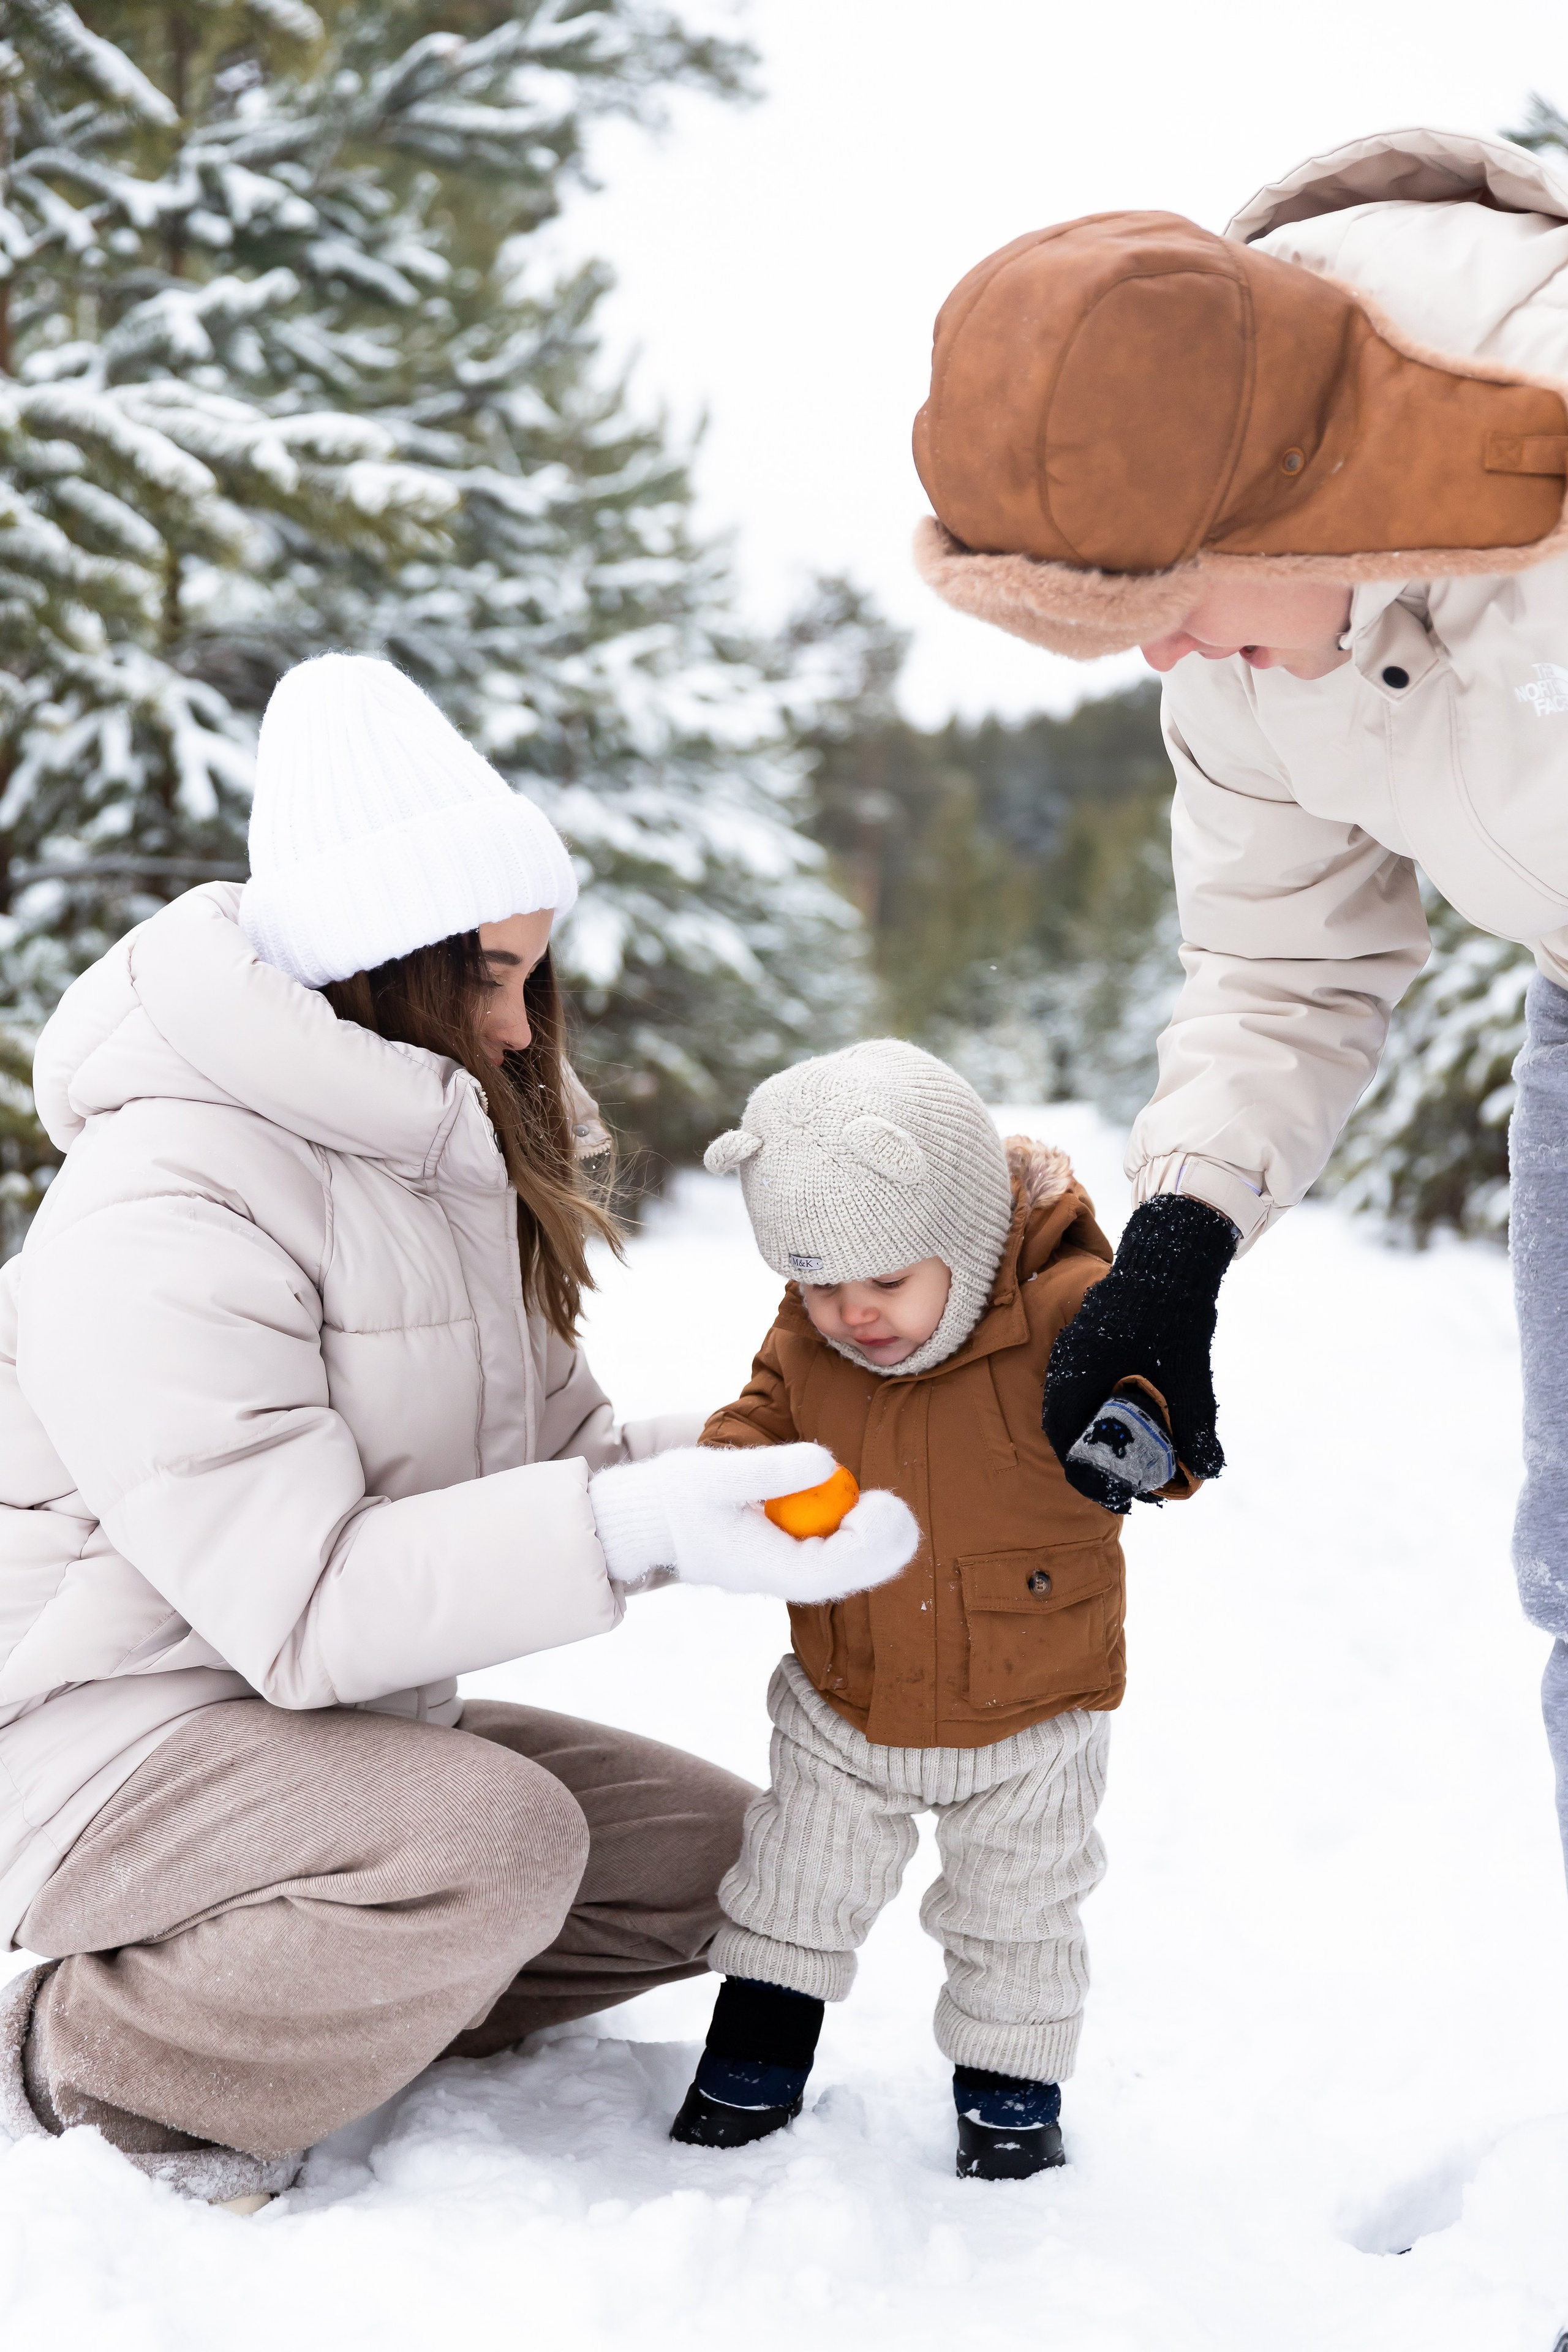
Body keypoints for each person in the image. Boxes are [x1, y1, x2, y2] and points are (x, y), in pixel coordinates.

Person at [0, 653, 914, 2209]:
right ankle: (88, 2055)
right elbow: (301, 1606)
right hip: (96, 1750)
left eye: (530, 983)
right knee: (490, 1844)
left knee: (741, 1859)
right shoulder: (167, 1198)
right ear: (376, 964)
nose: (514, 1028)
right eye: (484, 977)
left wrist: (802, 1448)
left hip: (325, 1742)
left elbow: (567, 1471)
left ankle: (324, 2004)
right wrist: (627, 1528)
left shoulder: (433, 1171)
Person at [909, 124, 1568, 1872]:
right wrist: (1175, 1248)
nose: (1159, 655)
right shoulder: (1242, 669)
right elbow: (1284, 962)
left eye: (1168, 598)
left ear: (1289, 496)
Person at [662, 1041, 1195, 2179]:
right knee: (793, 1885)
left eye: (886, 1282)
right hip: (846, 1692)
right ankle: (753, 2060)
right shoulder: (811, 1326)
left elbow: (1163, 1396)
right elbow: (764, 1407)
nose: (851, 1314)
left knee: (1020, 1914)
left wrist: (1141, 1433)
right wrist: (735, 1466)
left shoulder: (1070, 1311)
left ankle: (1010, 2098)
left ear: (961, 1233)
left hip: (1034, 1714)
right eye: (818, 1286)